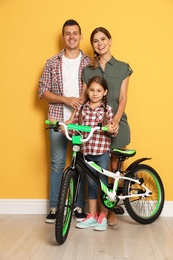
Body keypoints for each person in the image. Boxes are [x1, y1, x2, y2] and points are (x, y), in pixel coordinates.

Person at [38, 19, 91, 223]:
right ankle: (54, 207)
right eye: (68, 33)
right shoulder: (52, 62)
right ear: (63, 37)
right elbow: (42, 92)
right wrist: (65, 99)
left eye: (75, 33)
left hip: (82, 120)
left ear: (80, 36)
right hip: (57, 120)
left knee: (81, 165)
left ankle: (78, 206)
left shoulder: (89, 62)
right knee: (57, 163)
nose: (71, 37)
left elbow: (97, 90)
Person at [81, 27, 133, 225]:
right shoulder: (88, 70)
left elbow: (122, 97)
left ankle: (112, 207)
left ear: (110, 41)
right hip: (95, 126)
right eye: (95, 40)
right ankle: (104, 211)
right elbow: (84, 98)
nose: (100, 43)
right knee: (97, 170)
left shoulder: (122, 67)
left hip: (117, 122)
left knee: (114, 167)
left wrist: (116, 121)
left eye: (103, 39)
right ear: (92, 44)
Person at [66, 75, 117, 231]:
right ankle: (92, 215)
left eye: (99, 90)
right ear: (87, 91)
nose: (95, 93)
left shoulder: (107, 109)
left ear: (104, 92)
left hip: (101, 151)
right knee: (92, 184)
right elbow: (75, 126)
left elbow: (112, 129)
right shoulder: (81, 109)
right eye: (92, 90)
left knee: (102, 183)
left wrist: (111, 129)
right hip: (87, 151)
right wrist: (66, 128)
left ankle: (103, 215)